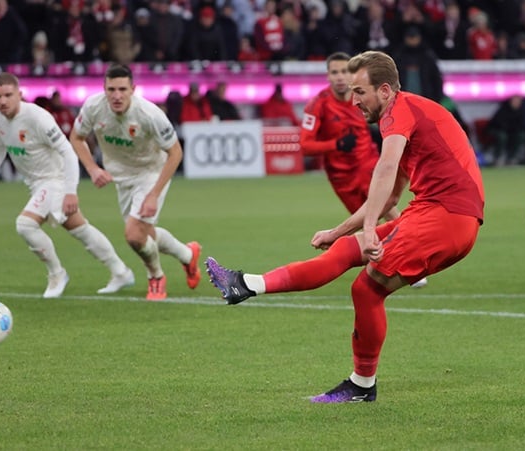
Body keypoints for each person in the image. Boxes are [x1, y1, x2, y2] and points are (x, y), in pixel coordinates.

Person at [206, 50, 484, 403]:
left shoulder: (399, 112)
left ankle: (361, 385)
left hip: (447, 217)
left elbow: (384, 168)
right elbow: (388, 195)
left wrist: (369, 229)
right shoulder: (407, 115)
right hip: (434, 211)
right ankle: (245, 284)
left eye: (359, 92)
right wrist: (339, 231)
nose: (353, 101)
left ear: (384, 91)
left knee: (367, 290)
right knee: (344, 250)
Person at [0, 72, 135, 299]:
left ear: (20, 94)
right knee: (80, 229)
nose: (2, 101)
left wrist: (70, 191)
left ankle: (57, 274)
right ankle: (120, 272)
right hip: (35, 184)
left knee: (25, 225)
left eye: (8, 95)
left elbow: (68, 152)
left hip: (55, 180)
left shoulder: (38, 117)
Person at [69, 63, 201, 301]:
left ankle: (156, 277)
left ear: (133, 89)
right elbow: (77, 138)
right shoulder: (93, 107)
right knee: (145, 233)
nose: (116, 96)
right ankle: (188, 255)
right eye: (111, 90)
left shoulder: (149, 114)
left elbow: (176, 153)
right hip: (121, 177)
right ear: (104, 89)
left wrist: (153, 194)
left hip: (150, 172)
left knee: (133, 235)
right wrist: (92, 168)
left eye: (122, 89)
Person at [299, 52, 428, 288]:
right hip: (340, 176)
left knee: (386, 207)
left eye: (344, 72)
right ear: (328, 76)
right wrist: (335, 145)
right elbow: (305, 145)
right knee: (367, 222)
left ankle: (414, 259)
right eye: (334, 72)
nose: (340, 77)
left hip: (367, 164)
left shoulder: (363, 97)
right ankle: (393, 261)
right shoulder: (317, 105)